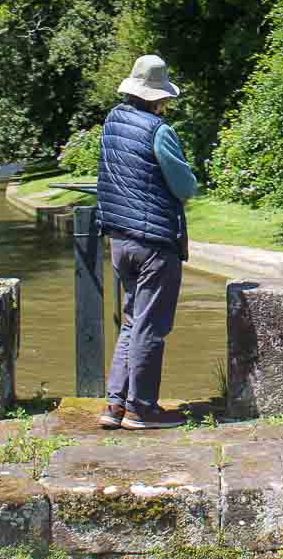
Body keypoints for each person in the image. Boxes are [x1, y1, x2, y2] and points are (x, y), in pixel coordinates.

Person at [95, 54, 199, 430]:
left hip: (119, 240)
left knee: (131, 321)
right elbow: (185, 187)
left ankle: (115, 406)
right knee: (151, 325)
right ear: (159, 97)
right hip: (154, 243)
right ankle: (142, 409)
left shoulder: (111, 122)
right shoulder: (159, 130)